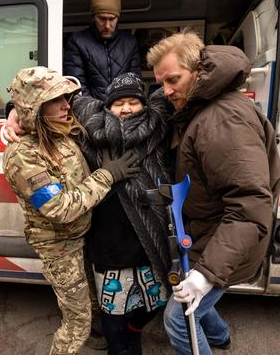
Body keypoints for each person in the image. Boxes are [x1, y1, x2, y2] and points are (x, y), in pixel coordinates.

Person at [5, 73, 174, 355]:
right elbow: (59, 208)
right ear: (36, 109)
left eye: (65, 98)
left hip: (85, 236)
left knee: (99, 308)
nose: (66, 105)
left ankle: (107, 341)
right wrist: (107, 175)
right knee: (77, 324)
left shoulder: (62, 129)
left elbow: (94, 109)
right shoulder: (24, 155)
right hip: (61, 247)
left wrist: (12, 112)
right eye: (56, 100)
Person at [146, 31, 280, 355]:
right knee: (195, 303)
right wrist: (19, 113)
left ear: (198, 70)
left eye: (172, 80)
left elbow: (250, 204)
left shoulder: (221, 120)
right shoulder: (200, 106)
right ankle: (220, 338)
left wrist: (206, 274)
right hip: (210, 234)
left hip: (224, 240)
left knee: (179, 320)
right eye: (161, 83)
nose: (165, 91)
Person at [73, 73, 173, 355]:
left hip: (148, 238)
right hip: (108, 239)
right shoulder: (91, 131)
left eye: (132, 102)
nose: (126, 108)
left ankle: (135, 330)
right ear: (107, 107)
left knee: (156, 301)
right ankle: (119, 347)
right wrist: (13, 113)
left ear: (144, 105)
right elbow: (51, 101)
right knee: (113, 311)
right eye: (118, 103)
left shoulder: (157, 126)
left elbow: (179, 88)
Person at [64, 0, 141, 102]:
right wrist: (95, 114)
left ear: (118, 18)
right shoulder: (77, 41)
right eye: (102, 19)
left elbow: (134, 84)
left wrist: (122, 109)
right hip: (90, 114)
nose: (107, 25)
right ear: (93, 17)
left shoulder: (130, 42)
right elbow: (78, 87)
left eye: (112, 19)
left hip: (122, 111)